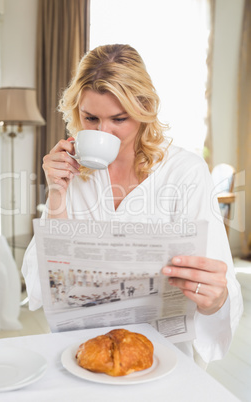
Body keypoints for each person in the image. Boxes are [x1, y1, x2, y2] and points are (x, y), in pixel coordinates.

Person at [22, 44, 243, 365]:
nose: (102, 131)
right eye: (91, 118)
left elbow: (220, 284)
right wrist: (56, 191)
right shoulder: (70, 171)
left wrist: (215, 299)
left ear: (144, 111)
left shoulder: (185, 171)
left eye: (119, 118)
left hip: (162, 356)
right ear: (76, 113)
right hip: (83, 350)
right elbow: (47, 283)